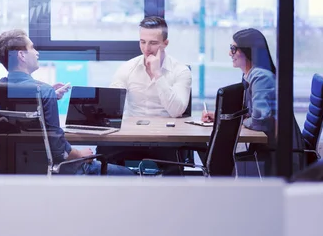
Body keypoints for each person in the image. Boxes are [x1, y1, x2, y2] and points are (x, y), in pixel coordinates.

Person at [0, 29, 133, 176]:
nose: (37, 52)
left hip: (16, 170)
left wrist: (50, 97)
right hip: (55, 170)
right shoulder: (43, 91)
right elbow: (58, 150)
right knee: (128, 174)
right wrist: (80, 154)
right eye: (32, 47)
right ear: (21, 55)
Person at [201, 28, 304, 176]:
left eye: (233, 49)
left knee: (220, 161)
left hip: (278, 154)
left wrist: (240, 122)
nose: (230, 53)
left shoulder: (260, 77)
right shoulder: (250, 75)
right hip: (269, 150)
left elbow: (259, 121)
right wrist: (219, 116)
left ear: (249, 51)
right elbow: (253, 113)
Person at [109, 16, 192, 118]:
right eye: (143, 42)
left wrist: (158, 74)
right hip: (134, 130)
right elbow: (112, 106)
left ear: (165, 43)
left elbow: (176, 111)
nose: (146, 48)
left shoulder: (180, 70)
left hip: (167, 130)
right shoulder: (127, 68)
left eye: (153, 43)